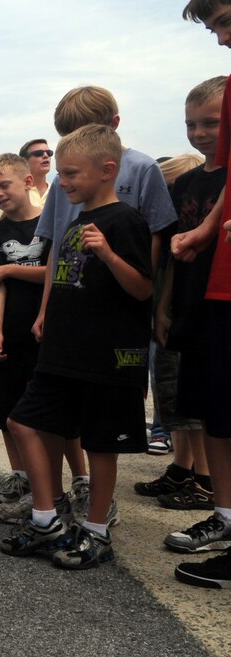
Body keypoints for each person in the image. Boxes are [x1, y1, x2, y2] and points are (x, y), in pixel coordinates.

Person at [0, 124, 152, 570]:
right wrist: (46, 312)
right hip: (62, 353)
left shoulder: (126, 221)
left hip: (107, 357)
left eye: (70, 175)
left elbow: (143, 288)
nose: (62, 183)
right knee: (23, 421)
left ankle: (97, 530)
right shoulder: (74, 222)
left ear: (107, 171)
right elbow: (59, 276)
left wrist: (107, 253)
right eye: (60, 175)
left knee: (102, 445)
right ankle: (46, 518)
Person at [169, 0, 231, 590]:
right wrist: (206, 232)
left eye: (225, 24)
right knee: (216, 410)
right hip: (210, 292)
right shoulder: (194, 181)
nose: (218, 40)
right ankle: (225, 516)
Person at [149, 80, 225, 538]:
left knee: (216, 408)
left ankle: (206, 485)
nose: (199, 133)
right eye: (191, 124)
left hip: (221, 303)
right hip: (188, 305)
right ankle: (199, 482)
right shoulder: (190, 184)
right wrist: (163, 306)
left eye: (211, 122)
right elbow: (177, 253)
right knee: (193, 401)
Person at [0, 154, 50, 515]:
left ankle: (49, 483)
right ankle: (19, 475)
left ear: (28, 182)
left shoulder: (49, 226)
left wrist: (9, 267)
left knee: (42, 412)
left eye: (4, 185)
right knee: (6, 407)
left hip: (43, 329)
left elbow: (52, 271)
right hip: (8, 329)